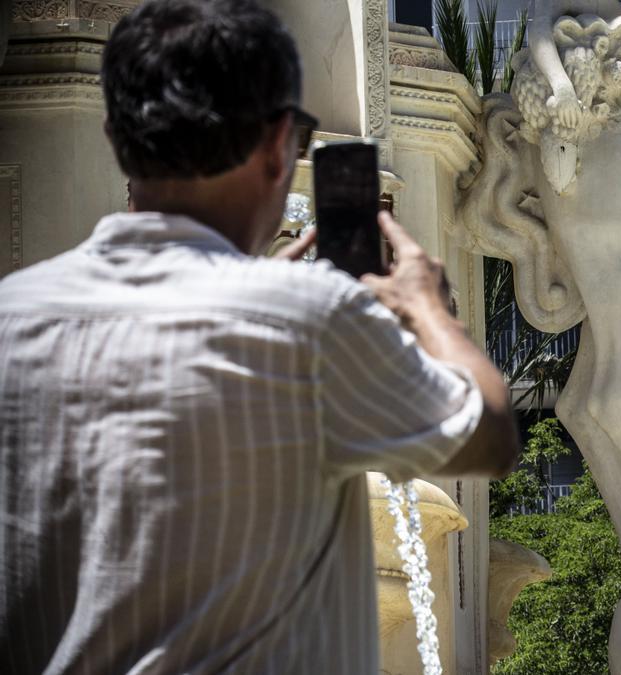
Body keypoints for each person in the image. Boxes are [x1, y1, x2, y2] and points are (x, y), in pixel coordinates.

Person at [0, 1, 519, 673]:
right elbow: (490, 433)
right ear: (279, 147)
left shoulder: (14, 318)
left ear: (116, 137)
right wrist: (431, 310)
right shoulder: (310, 318)